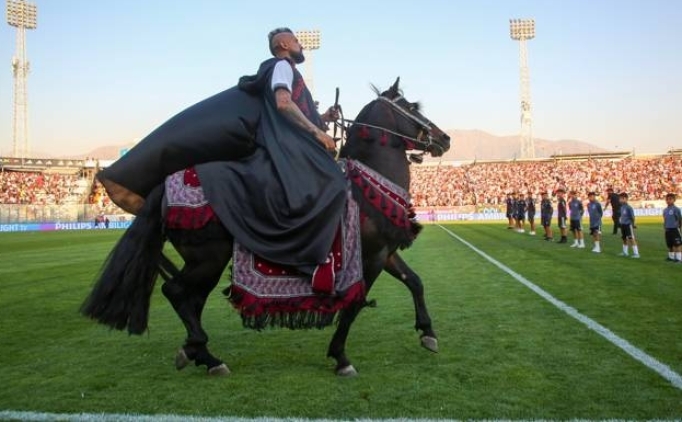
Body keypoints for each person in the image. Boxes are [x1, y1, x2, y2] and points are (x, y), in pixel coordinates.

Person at [191, 27, 346, 276]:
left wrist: (324, 118)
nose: (301, 45)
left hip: (289, 141)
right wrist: (318, 133)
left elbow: (300, 112)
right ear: (284, 44)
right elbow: (284, 104)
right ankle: (311, 260)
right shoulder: (282, 66)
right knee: (335, 185)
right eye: (296, 40)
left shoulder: (287, 69)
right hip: (288, 145)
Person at [618, 192, 640, 258]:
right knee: (624, 239)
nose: (620, 200)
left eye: (622, 199)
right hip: (623, 225)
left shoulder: (629, 207)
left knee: (631, 238)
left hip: (628, 225)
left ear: (626, 199)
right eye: (620, 199)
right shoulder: (621, 207)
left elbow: (632, 217)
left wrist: (633, 224)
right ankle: (625, 252)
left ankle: (636, 253)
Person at [663, 193, 682, 262]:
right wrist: (665, 228)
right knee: (670, 244)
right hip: (668, 229)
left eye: (670, 199)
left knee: (678, 244)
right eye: (667, 199)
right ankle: (671, 257)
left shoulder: (676, 209)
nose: (668, 201)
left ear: (674, 200)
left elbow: (679, 219)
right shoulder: (665, 210)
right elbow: (665, 219)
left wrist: (679, 227)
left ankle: (679, 258)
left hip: (675, 229)